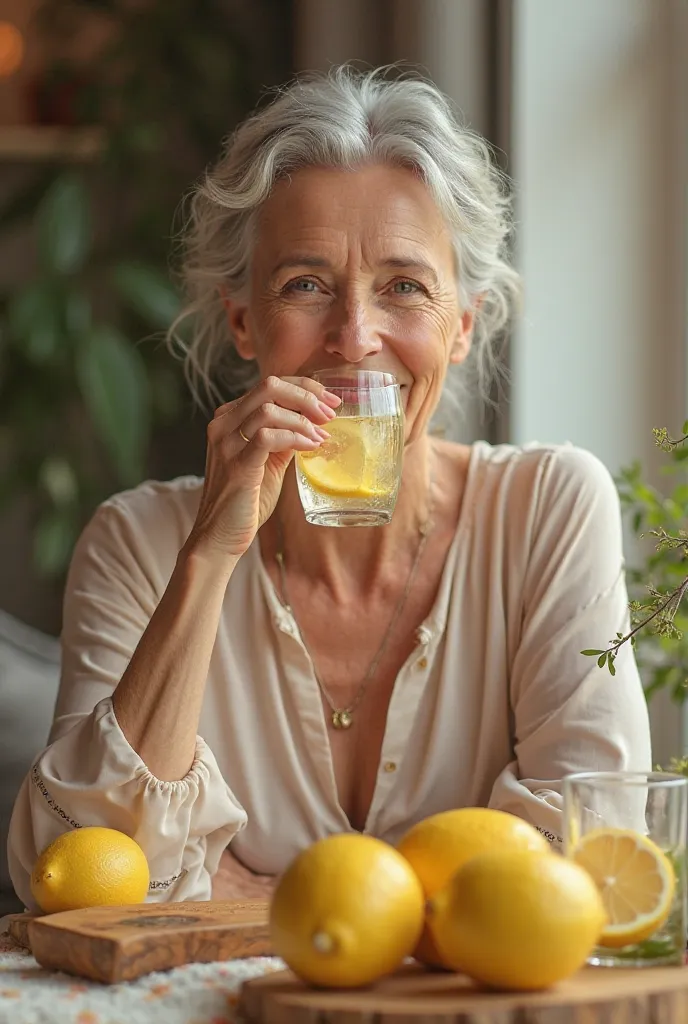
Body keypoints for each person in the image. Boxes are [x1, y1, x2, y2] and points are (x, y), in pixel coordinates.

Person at [8, 67, 651, 909]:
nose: (354, 337)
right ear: (245, 322)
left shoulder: (549, 509)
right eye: (305, 284)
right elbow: (76, 880)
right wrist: (209, 558)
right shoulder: (139, 543)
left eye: (405, 288)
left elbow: (591, 853)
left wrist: (249, 892)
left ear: (460, 327)